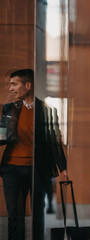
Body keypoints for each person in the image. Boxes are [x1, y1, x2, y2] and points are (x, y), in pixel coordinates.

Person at [0, 69, 67, 240]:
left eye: (14, 84)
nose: (11, 89)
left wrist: (63, 168)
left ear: (28, 86)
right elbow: (1, 136)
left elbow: (54, 141)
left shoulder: (47, 111)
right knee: (15, 214)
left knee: (38, 213)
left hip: (38, 169)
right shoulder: (9, 109)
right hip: (12, 169)